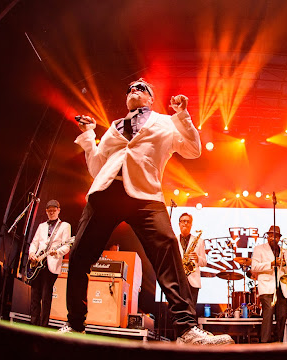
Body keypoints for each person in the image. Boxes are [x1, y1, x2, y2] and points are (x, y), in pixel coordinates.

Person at [63, 78, 232, 345]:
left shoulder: (166, 122)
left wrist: (182, 115)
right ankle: (74, 324)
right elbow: (97, 168)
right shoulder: (114, 127)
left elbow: (193, 150)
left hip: (145, 194)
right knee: (81, 253)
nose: (134, 90)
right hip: (106, 192)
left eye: (141, 88)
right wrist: (88, 136)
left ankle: (187, 329)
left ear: (151, 98)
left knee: (168, 252)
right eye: (130, 88)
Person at [27, 199, 71, 327]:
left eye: (54, 210)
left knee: (46, 297)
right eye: (49, 210)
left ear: (58, 210)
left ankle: (43, 325)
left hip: (51, 264)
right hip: (37, 264)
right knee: (35, 296)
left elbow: (67, 245)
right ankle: (33, 324)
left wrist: (56, 253)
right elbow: (34, 242)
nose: (51, 212)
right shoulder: (41, 226)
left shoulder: (65, 226)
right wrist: (32, 254)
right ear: (46, 211)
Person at [251, 225, 287, 342]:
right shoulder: (259, 249)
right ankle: (264, 344)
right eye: (271, 235)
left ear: (279, 238)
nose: (273, 238)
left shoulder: (284, 251)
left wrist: (285, 265)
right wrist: (271, 264)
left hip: (281, 287)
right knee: (268, 317)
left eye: (276, 236)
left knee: (282, 317)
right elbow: (254, 267)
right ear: (268, 236)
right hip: (267, 287)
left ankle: (279, 343)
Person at [176, 213, 207, 309]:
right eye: (183, 221)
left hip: (192, 281)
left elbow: (204, 262)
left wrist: (197, 258)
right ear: (179, 224)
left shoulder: (199, 241)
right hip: (177, 280)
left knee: (191, 310)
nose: (185, 223)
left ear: (191, 224)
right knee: (177, 309)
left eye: (187, 221)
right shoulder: (174, 240)